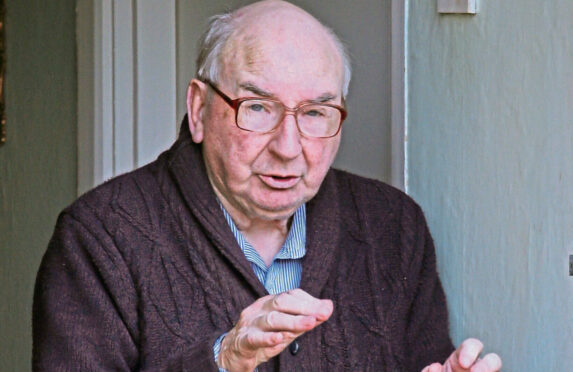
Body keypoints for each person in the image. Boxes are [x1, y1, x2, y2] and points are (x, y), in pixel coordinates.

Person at [33, 1, 502, 371]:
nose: (288, 147)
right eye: (257, 108)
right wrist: (222, 360)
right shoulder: (100, 237)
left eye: (316, 113)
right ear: (198, 109)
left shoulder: (392, 226)